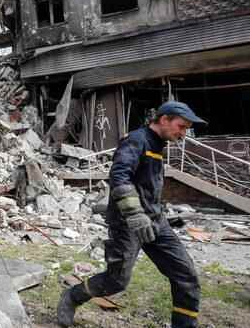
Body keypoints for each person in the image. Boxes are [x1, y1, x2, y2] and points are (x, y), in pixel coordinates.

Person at [57, 101, 205, 328]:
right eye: (181, 126)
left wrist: (149, 213)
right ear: (164, 119)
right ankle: (73, 296)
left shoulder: (157, 144)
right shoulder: (137, 140)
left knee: (186, 276)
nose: (183, 133)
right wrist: (135, 213)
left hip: (155, 221)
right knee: (116, 281)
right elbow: (119, 176)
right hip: (128, 223)